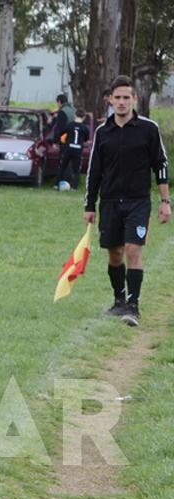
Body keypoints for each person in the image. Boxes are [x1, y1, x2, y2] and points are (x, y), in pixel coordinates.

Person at [84, 75, 170, 327]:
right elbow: (94, 172)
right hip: (109, 201)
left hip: (138, 201)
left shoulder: (149, 129)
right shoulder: (103, 132)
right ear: (110, 100)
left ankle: (133, 306)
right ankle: (119, 300)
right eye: (117, 98)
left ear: (134, 99)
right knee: (114, 254)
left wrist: (165, 201)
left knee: (133, 250)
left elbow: (161, 165)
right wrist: (89, 205)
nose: (121, 102)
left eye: (126, 98)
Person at [56, 108, 90, 191]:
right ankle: (74, 187)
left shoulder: (70, 125)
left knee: (63, 167)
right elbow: (86, 139)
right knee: (76, 170)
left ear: (75, 115)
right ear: (84, 117)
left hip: (68, 149)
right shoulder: (85, 128)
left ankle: (57, 185)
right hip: (78, 150)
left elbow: (61, 133)